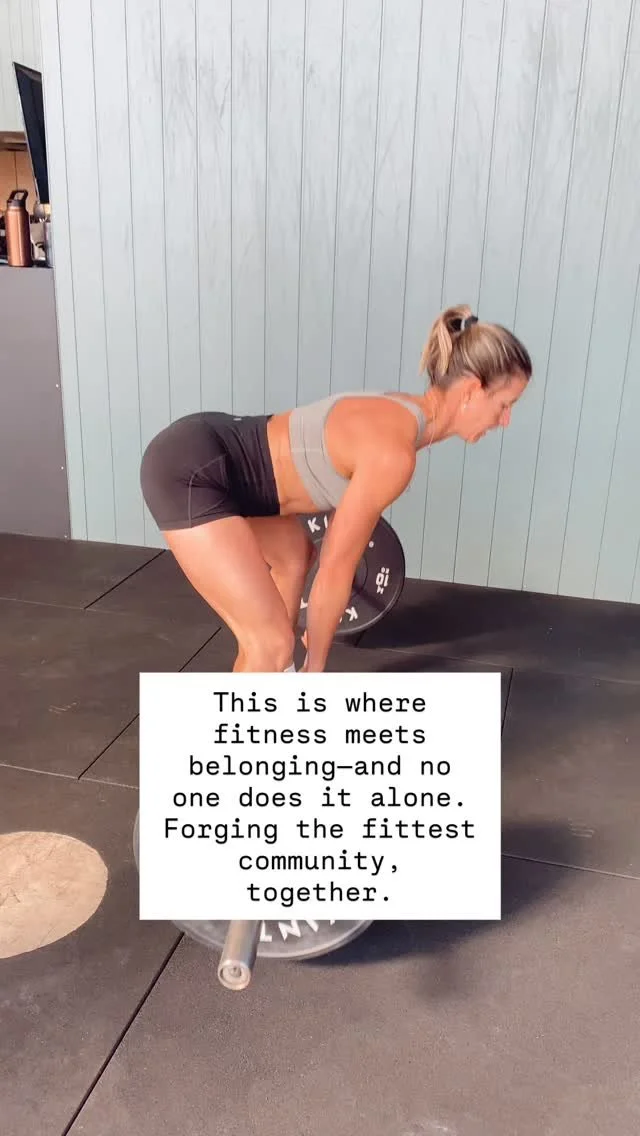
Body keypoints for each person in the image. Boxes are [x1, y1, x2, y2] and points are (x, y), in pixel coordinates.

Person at [140, 304, 531, 674]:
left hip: (218, 454)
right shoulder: (393, 455)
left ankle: (264, 681)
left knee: (294, 556)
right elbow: (337, 566)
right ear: (471, 390)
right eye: (505, 404)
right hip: (192, 469)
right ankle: (258, 684)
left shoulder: (399, 410)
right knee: (273, 644)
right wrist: (315, 666)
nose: (506, 420)